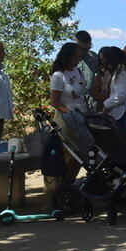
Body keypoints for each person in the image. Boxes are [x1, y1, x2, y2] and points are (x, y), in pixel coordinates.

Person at [49, 42, 90, 184]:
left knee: (80, 153)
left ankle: (69, 182)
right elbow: (55, 102)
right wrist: (72, 113)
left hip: (81, 117)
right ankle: (58, 185)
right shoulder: (58, 75)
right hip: (66, 118)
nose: (79, 60)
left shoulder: (77, 72)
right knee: (68, 153)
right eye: (76, 57)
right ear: (68, 57)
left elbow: (82, 95)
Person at [75, 30, 97, 109]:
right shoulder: (67, 57)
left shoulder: (94, 57)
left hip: (91, 103)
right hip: (73, 103)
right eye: (83, 49)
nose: (86, 52)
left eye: (89, 48)